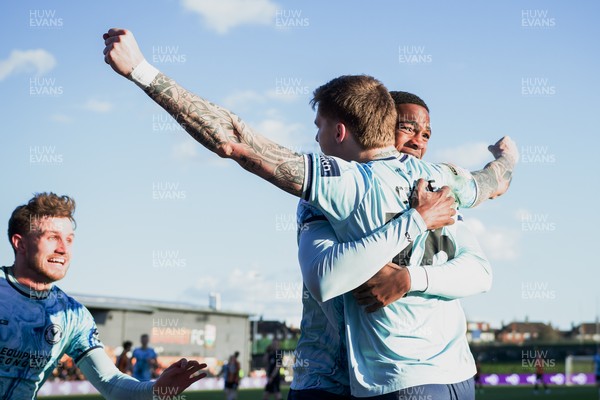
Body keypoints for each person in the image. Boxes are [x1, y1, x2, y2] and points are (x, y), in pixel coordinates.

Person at [102, 28, 517, 400]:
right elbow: (495, 181)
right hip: (453, 375)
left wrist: (140, 70)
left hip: (381, 379)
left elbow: (234, 141)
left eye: (318, 126)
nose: (314, 137)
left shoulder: (341, 180)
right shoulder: (443, 177)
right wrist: (507, 157)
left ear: (339, 131)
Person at [0, 192, 207, 399]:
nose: (63, 249)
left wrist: (155, 390)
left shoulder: (73, 315)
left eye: (69, 240)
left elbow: (110, 382)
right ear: (21, 244)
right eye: (52, 237)